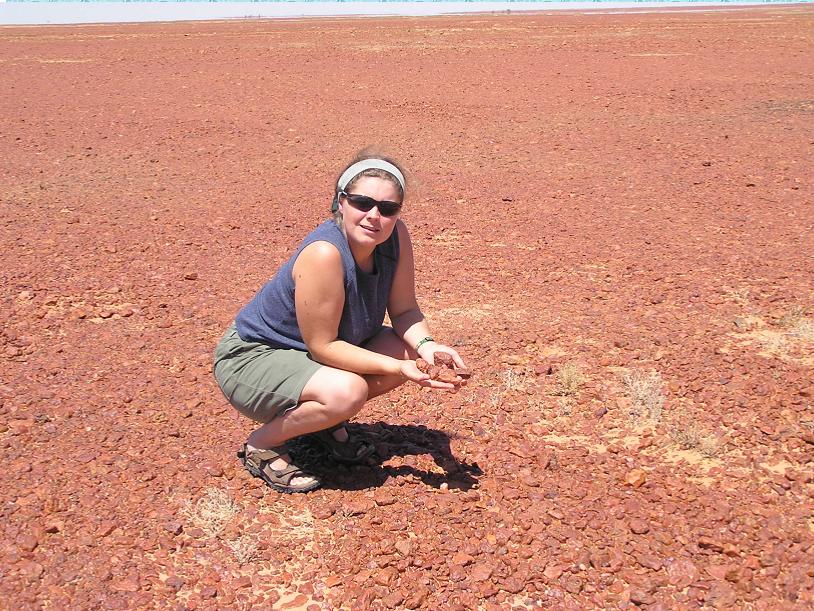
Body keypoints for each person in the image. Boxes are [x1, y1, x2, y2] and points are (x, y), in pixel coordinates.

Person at [213, 151, 467, 493]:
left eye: (388, 209)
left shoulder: (395, 237)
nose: (375, 216)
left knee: (407, 351)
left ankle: (321, 424)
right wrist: (396, 369)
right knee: (349, 390)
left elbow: (405, 310)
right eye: (363, 202)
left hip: (312, 353)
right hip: (253, 357)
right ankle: (262, 444)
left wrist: (428, 346)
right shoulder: (325, 254)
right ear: (340, 202)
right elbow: (324, 346)